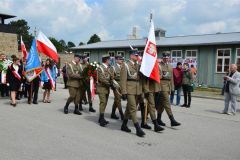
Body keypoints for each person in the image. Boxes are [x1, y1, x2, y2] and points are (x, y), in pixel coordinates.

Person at [120, 50, 145, 137]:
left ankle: (124, 125)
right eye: (135, 55)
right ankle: (138, 128)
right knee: (133, 108)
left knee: (128, 108)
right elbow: (123, 80)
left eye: (137, 55)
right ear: (131, 56)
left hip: (137, 89)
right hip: (129, 89)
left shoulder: (138, 65)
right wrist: (123, 92)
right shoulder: (125, 65)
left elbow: (140, 77)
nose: (137, 56)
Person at [156, 51, 181, 127]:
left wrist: (172, 88)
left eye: (167, 58)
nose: (166, 59)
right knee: (167, 102)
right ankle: (172, 120)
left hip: (168, 86)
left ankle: (158, 119)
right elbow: (158, 77)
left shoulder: (170, 66)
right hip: (162, 86)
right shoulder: (159, 65)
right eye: (165, 58)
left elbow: (172, 79)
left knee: (161, 104)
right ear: (162, 58)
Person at [96, 54, 112, 127]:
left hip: (106, 88)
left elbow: (111, 77)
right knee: (103, 102)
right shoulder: (100, 68)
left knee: (105, 103)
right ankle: (101, 119)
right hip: (101, 88)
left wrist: (113, 83)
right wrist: (110, 84)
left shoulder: (108, 68)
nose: (110, 61)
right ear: (106, 60)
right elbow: (101, 78)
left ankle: (101, 117)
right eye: (109, 60)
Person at [109, 54, 124, 120]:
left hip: (122, 85)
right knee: (118, 100)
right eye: (120, 59)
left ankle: (112, 113)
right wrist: (113, 85)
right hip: (116, 85)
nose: (122, 60)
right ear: (116, 60)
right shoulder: (113, 67)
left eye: (122, 59)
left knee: (116, 100)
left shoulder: (123, 67)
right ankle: (122, 115)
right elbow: (111, 78)